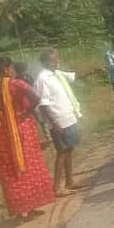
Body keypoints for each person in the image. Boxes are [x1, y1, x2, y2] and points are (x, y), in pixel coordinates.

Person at [0, 56, 55, 219]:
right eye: (10, 68)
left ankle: (20, 211)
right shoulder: (16, 84)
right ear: (6, 69)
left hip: (0, 136)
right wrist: (26, 112)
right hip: (22, 130)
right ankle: (32, 207)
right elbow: (36, 97)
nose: (12, 71)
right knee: (28, 168)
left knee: (10, 173)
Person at [34, 48, 85, 197]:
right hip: (58, 121)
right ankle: (56, 187)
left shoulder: (56, 74)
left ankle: (69, 181)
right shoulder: (42, 79)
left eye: (57, 58)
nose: (58, 61)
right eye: (55, 59)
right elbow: (43, 104)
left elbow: (74, 77)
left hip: (68, 117)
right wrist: (54, 123)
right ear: (46, 62)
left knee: (69, 150)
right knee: (61, 152)